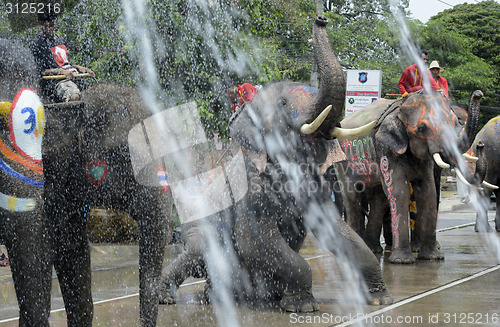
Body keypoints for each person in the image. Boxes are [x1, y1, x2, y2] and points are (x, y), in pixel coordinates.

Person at [30, 8, 95, 102]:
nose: (49, 29)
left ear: (56, 21)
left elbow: (65, 64)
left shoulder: (61, 40)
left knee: (93, 95)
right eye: (46, 26)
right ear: (40, 23)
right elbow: (39, 70)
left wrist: (79, 68)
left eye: (51, 25)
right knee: (74, 97)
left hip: (74, 77)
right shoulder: (37, 44)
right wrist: (61, 72)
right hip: (57, 82)